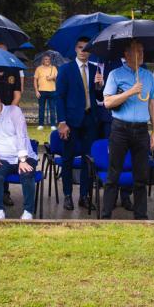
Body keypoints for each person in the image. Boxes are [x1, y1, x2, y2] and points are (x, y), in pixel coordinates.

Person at [101, 40, 154, 220]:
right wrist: (130, 92)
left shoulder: (148, 76)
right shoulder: (115, 74)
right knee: (113, 174)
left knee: (141, 175)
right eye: (137, 51)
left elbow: (153, 104)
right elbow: (107, 102)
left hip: (141, 130)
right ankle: (106, 216)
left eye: (142, 51)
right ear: (126, 55)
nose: (141, 54)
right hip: (120, 129)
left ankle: (141, 216)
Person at [56, 37, 103, 211]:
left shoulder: (95, 69)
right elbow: (59, 97)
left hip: (91, 120)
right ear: (75, 49)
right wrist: (62, 122)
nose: (83, 51)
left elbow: (100, 98)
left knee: (88, 160)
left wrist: (100, 86)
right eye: (80, 47)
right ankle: (68, 195)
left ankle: (85, 195)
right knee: (68, 159)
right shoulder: (66, 69)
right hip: (71, 121)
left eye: (86, 48)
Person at [0, 91, 37, 220]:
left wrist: (22, 159)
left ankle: (28, 211)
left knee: (26, 173)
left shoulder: (13, 111)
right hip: (3, 158)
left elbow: (21, 134)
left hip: (24, 155)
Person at [33, 54, 58, 131]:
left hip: (52, 91)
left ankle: (53, 125)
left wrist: (52, 77)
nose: (47, 60)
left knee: (52, 109)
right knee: (41, 109)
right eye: (46, 59)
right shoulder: (38, 69)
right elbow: (35, 80)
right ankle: (41, 124)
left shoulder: (54, 68)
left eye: (48, 59)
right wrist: (36, 91)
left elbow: (58, 79)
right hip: (41, 91)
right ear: (43, 60)